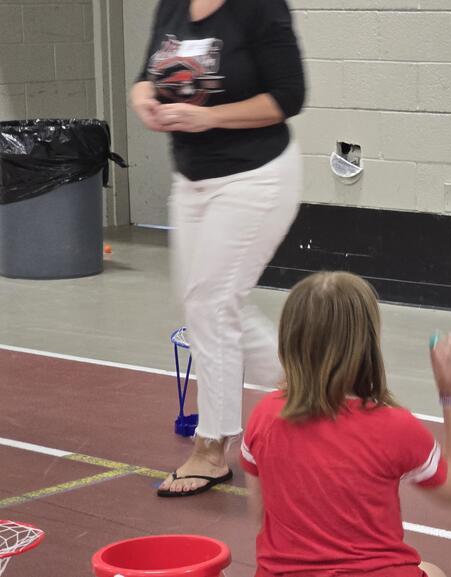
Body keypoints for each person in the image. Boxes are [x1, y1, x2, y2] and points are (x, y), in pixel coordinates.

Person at [129, 0, 306, 496]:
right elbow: (146, 78)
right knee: (201, 305)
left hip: (255, 178)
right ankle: (312, 389)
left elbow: (288, 97)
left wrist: (210, 117)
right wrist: (143, 100)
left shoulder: (260, 6)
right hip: (192, 180)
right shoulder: (172, 5)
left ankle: (211, 448)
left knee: (211, 303)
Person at [240, 272, 451, 577]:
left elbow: (260, 514)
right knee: (433, 572)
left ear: (289, 341)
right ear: (367, 346)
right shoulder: (394, 427)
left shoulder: (264, 417)